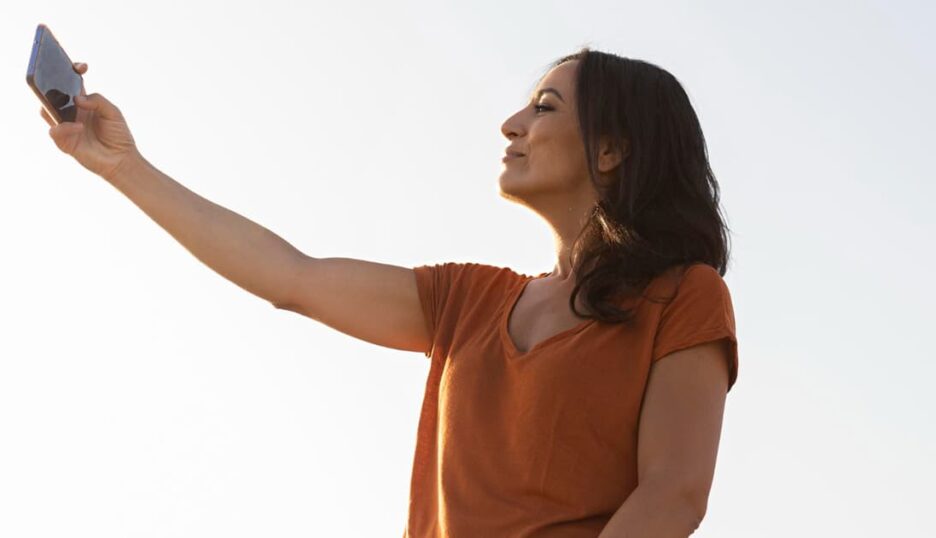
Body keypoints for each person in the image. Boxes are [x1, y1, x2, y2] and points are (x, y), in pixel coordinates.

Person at [42, 47, 738, 538]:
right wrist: (122, 167)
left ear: (610, 150)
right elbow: (292, 278)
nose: (512, 125)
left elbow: (672, 497)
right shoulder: (468, 299)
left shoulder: (683, 298)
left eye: (545, 107)